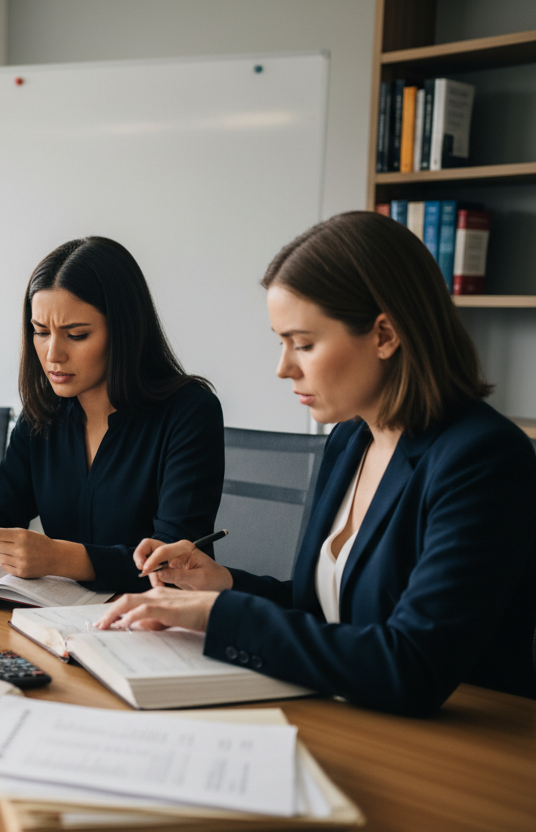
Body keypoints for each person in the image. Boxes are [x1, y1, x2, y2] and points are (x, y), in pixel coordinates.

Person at [98, 211, 536, 716]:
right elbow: (326, 609)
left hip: (463, 741)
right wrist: (222, 584)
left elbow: (412, 665)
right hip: (351, 713)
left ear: (385, 335)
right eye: (281, 342)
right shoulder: (351, 439)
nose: (283, 368)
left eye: (303, 344)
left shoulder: (483, 460)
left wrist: (219, 615)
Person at [0, 236, 224, 594]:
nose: (53, 354)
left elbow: (174, 562)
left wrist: (59, 558)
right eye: (40, 332)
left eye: (77, 335)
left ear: (124, 332)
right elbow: (1, 514)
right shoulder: (42, 413)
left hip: (158, 617)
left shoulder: (190, 412)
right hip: (58, 615)